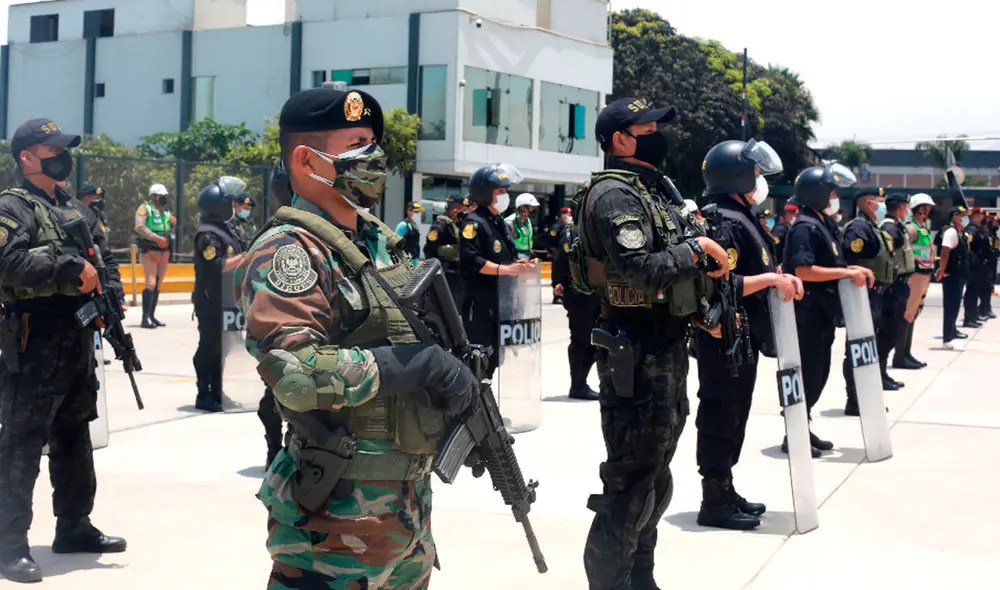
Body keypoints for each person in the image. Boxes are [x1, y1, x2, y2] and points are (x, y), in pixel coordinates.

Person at [235, 87, 476, 588]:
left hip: (405, 516)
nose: (375, 157)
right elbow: (294, 374)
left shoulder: (380, 244)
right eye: (357, 143)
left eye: (374, 142)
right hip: (335, 527)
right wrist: (421, 367)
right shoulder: (290, 251)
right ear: (306, 159)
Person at [574, 97, 728, 590]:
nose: (660, 135)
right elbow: (640, 272)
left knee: (654, 479)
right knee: (630, 484)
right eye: (649, 128)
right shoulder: (616, 196)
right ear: (620, 139)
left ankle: (642, 579)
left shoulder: (653, 192)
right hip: (634, 355)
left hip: (662, 349)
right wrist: (696, 249)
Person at [0, 118, 127, 584]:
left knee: (75, 435)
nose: (61, 155)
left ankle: (74, 527)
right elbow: (7, 263)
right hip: (34, 338)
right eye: (50, 148)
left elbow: (104, 257)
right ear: (26, 157)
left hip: (77, 337)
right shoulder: (14, 208)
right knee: (22, 441)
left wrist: (109, 297)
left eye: (63, 148)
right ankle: (9, 544)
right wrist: (66, 267)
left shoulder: (74, 208)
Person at [695, 139, 802, 531]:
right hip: (725, 336)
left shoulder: (742, 216)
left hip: (743, 337)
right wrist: (773, 278)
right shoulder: (724, 220)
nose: (760, 179)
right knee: (722, 412)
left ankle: (727, 489)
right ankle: (714, 501)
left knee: (736, 412)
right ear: (737, 176)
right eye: (755, 172)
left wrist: (777, 277)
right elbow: (722, 281)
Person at [782, 164, 873, 453]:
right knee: (807, 375)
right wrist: (846, 275)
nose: (835, 196)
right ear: (817, 194)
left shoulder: (822, 223)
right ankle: (793, 436)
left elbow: (831, 264)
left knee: (817, 374)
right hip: (806, 315)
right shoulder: (804, 227)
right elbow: (804, 270)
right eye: (830, 191)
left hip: (821, 316)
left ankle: (803, 429)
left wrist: (850, 268)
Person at [460, 164, 537, 377]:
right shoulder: (474, 223)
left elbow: (507, 259)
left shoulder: (500, 224)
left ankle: (487, 407)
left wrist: (522, 267)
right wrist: (506, 269)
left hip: (500, 304)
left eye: (505, 191)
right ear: (486, 194)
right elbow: (472, 261)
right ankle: (473, 408)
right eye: (500, 191)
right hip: (481, 306)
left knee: (495, 359)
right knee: (478, 361)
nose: (505, 196)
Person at [841, 187, 902, 414]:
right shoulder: (858, 228)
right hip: (862, 295)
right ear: (869, 204)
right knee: (858, 348)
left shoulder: (871, 227)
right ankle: (855, 399)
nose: (884, 204)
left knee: (869, 347)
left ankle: (864, 396)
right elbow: (847, 259)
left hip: (875, 295)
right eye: (880, 201)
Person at [192, 177, 245, 413]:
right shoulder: (208, 234)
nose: (236, 208)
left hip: (228, 300)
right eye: (232, 203)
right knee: (210, 347)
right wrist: (249, 256)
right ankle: (205, 393)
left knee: (224, 349)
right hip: (211, 301)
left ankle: (218, 391)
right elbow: (218, 265)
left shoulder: (225, 230)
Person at [550, 203, 601, 401]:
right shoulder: (572, 232)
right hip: (579, 294)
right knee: (581, 339)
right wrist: (558, 282)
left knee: (595, 340)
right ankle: (578, 385)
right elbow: (560, 259)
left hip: (597, 293)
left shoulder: (598, 230)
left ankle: (583, 381)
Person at [879, 193, 921, 371]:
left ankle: (885, 370)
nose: (908, 210)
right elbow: (889, 257)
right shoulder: (889, 228)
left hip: (901, 283)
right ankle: (882, 370)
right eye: (906, 206)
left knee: (895, 327)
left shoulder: (897, 226)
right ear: (899, 207)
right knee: (888, 330)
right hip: (893, 285)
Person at [897, 193, 935, 369]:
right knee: (907, 314)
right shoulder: (911, 228)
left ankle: (907, 353)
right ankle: (900, 356)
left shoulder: (922, 227)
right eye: (927, 207)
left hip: (924, 275)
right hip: (914, 275)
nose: (929, 210)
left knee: (913, 314)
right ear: (920, 208)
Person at [134, 183, 175, 329]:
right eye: (160, 195)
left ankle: (152, 315)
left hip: (164, 251)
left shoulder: (166, 211)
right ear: (153, 196)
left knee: (158, 283)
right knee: (150, 283)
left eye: (164, 196)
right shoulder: (145, 208)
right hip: (149, 250)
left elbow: (168, 226)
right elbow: (139, 227)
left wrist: (173, 223)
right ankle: (145, 318)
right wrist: (155, 238)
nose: (163, 198)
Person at [935, 206, 971, 349]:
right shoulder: (950, 232)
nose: (964, 218)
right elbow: (945, 253)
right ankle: (947, 339)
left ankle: (951, 333)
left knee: (955, 305)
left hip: (959, 275)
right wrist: (942, 271)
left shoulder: (960, 232)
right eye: (961, 216)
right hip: (952, 275)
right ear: (954, 217)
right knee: (950, 306)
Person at [423, 195, 468, 308]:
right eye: (463, 210)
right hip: (446, 273)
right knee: (443, 305)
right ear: (454, 210)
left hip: (457, 273)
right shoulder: (440, 225)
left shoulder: (458, 224)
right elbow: (429, 249)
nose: (464, 213)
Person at [963, 207, 993, 327]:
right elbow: (968, 248)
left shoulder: (979, 230)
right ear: (974, 216)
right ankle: (969, 318)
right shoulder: (971, 230)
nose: (982, 218)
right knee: (971, 292)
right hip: (974, 266)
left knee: (975, 292)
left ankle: (973, 316)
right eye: (980, 216)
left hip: (980, 266)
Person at [548, 206, 572, 304]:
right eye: (567, 214)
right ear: (562, 215)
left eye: (570, 214)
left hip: (566, 254)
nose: (569, 216)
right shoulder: (557, 227)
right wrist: (552, 251)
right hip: (558, 254)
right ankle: (556, 296)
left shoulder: (570, 226)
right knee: (557, 275)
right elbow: (550, 240)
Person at [507, 193, 540, 259]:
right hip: (515, 257)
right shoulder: (510, 222)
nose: (534, 210)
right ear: (522, 207)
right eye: (531, 208)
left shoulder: (528, 221)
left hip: (528, 254)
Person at [394, 201, 424, 267]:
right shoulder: (402, 225)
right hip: (405, 261)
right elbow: (395, 243)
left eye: (418, 212)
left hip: (414, 258)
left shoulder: (415, 226)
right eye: (415, 212)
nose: (417, 214)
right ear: (408, 211)